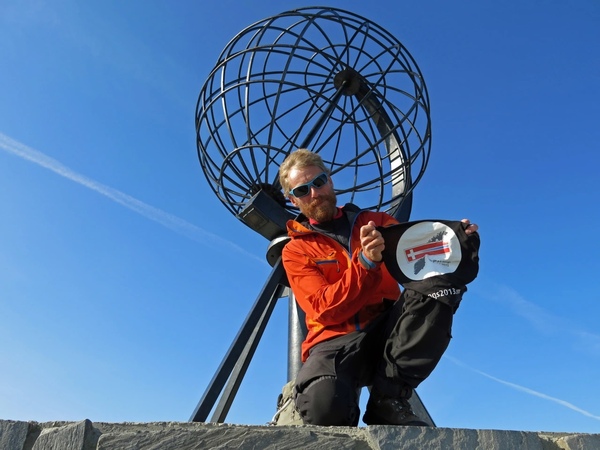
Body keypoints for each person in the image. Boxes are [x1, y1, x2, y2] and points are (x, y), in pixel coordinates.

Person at [278, 149, 479, 427]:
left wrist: (455, 238)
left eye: (319, 182)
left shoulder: (378, 222)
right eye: (302, 190)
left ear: (330, 180)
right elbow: (322, 308)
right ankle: (340, 413)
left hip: (388, 330)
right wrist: (365, 264)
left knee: (437, 284)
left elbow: (420, 254)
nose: (314, 193)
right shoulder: (295, 250)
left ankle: (388, 400)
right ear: (292, 199)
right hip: (334, 341)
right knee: (324, 407)